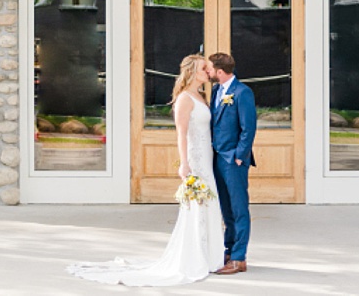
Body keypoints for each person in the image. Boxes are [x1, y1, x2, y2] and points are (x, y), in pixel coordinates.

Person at [68, 54, 225, 286]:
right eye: (204, 69)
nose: (208, 73)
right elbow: (181, 134)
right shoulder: (184, 99)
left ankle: (211, 256)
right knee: (197, 205)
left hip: (208, 157)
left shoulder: (201, 96)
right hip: (196, 158)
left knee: (210, 202)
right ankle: (195, 256)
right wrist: (184, 163)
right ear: (192, 72)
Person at [207, 51, 257, 275]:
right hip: (217, 158)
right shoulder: (217, 90)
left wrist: (239, 155)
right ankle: (228, 252)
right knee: (225, 209)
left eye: (209, 68)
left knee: (238, 209)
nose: (207, 72)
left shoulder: (242, 92)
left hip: (233, 160)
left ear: (219, 71)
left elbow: (249, 127)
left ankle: (239, 258)